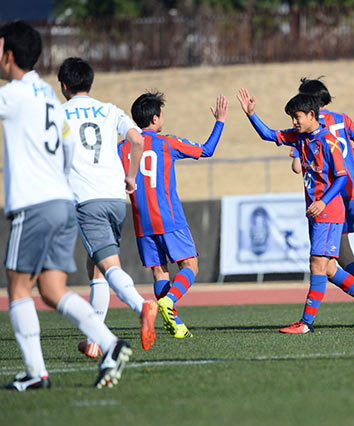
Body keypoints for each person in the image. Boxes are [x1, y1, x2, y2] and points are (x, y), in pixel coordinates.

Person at [1, 21, 131, 391]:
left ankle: (36, 373)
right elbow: (69, 146)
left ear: (7, 54)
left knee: (18, 287)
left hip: (34, 203)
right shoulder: (44, 93)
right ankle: (110, 344)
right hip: (62, 201)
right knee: (52, 289)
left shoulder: (14, 94)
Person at [237, 82, 354, 326]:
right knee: (330, 268)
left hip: (328, 210)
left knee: (317, 264)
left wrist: (323, 202)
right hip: (316, 210)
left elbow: (342, 177)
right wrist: (251, 115)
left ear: (311, 114)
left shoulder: (328, 142)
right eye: (291, 118)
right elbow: (269, 134)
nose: (293, 123)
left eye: (297, 117)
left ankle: (306, 322)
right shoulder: (299, 138)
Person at [57, 57, 158, 357]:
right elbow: (137, 140)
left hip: (87, 200)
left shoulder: (58, 114)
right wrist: (130, 176)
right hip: (115, 197)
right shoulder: (110, 110)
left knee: (109, 267)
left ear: (64, 85)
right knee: (97, 266)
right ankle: (94, 340)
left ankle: (143, 307)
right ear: (90, 82)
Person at [118, 91, 227, 338]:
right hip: (168, 216)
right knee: (190, 266)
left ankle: (176, 326)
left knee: (159, 271)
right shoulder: (165, 142)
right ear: (156, 119)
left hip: (140, 219)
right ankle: (168, 302)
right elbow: (206, 150)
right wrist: (220, 121)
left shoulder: (122, 148)